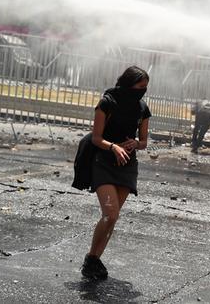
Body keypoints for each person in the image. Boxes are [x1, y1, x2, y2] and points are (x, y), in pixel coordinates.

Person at [82, 66, 151, 279]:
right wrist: (114, 147)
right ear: (128, 84)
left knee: (113, 218)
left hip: (127, 165)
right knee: (109, 213)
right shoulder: (107, 102)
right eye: (140, 87)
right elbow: (96, 138)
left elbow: (144, 142)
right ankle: (90, 259)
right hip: (104, 161)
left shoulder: (142, 108)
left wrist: (136, 143)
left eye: (146, 87)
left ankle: (94, 259)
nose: (143, 91)